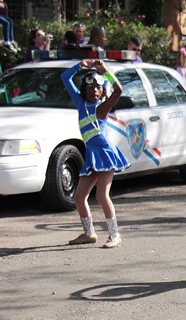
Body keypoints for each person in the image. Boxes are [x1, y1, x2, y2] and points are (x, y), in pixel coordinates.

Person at [61, 59, 130, 248]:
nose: (94, 91)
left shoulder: (103, 107)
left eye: (98, 88)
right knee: (79, 196)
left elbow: (118, 90)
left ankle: (115, 235)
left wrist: (105, 71)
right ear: (84, 89)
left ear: (103, 91)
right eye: (90, 87)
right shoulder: (80, 103)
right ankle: (89, 233)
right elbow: (64, 78)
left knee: (101, 195)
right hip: (91, 156)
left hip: (105, 154)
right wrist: (80, 66)